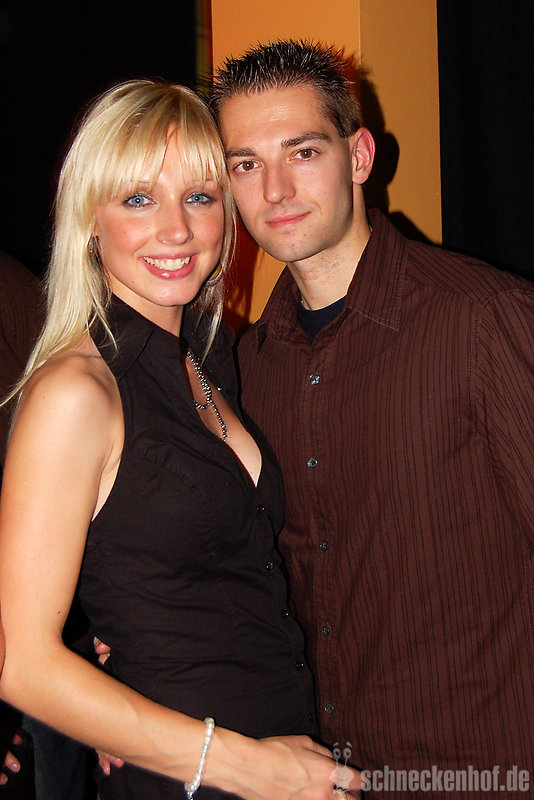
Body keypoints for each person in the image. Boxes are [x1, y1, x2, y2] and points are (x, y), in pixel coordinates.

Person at [0, 79, 354, 800]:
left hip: (283, 757)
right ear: (89, 220)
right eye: (138, 198)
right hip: (203, 779)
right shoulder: (76, 392)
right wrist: (247, 767)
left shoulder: (210, 357)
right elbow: (22, 664)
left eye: (198, 197)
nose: (177, 230)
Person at [209, 40, 534, 797]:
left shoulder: (483, 319)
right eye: (246, 164)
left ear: (358, 156)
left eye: (303, 152)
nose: (276, 189)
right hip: (329, 775)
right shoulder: (249, 366)